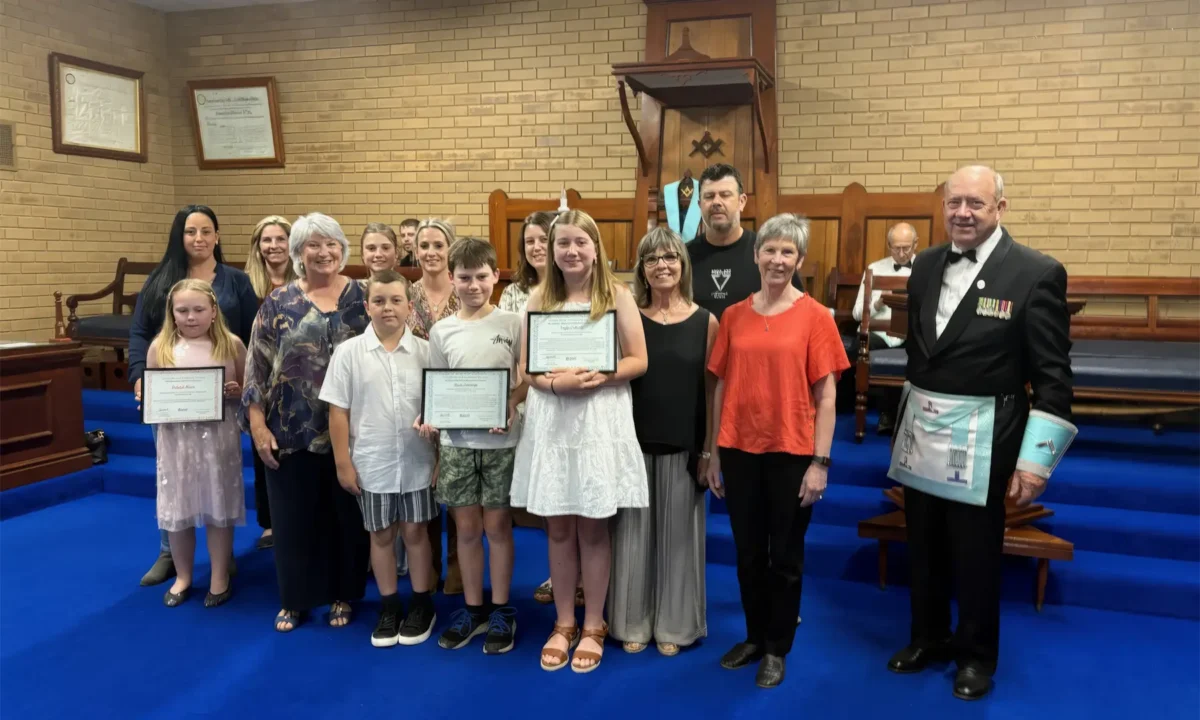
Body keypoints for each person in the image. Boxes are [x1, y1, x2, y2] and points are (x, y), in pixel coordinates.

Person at [885, 166, 1074, 701]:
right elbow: (921, 350)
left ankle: (975, 655)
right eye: (955, 202)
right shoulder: (924, 265)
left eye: (976, 203)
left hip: (988, 436)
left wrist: (1036, 462)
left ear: (1000, 208)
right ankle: (927, 637)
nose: (963, 213)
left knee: (975, 551)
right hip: (924, 432)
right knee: (922, 542)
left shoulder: (1036, 272)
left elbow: (1054, 377)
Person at [705, 213, 849, 689]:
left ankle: (776, 647)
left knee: (784, 557)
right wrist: (715, 453)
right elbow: (721, 386)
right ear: (756, 254)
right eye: (770, 249)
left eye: (788, 252)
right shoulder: (734, 316)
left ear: (800, 260)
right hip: (739, 449)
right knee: (748, 554)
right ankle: (753, 636)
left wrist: (820, 463)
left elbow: (827, 397)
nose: (778, 259)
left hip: (792, 451)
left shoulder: (816, 317)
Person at [511, 209, 650, 674]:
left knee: (592, 527)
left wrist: (600, 376)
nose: (571, 251)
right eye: (563, 243)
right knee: (557, 527)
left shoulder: (617, 296)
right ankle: (564, 622)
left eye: (580, 242)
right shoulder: (538, 298)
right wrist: (554, 384)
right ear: (551, 251)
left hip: (598, 416)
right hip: (553, 418)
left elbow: (639, 360)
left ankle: (593, 623)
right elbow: (527, 368)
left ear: (595, 248)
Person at [240, 212, 371, 633]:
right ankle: (295, 598)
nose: (323, 252)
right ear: (298, 252)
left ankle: (342, 592)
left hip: (353, 431)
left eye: (331, 243)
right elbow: (256, 368)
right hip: (291, 429)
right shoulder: (278, 302)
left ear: (342, 249)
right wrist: (258, 426)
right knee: (294, 521)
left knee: (344, 519)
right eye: (313, 244)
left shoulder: (365, 297)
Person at [131, 205, 259, 587]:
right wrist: (140, 377)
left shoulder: (236, 280)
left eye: (206, 231)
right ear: (180, 236)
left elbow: (252, 336)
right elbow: (140, 332)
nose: (198, 238)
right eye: (190, 231)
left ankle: (222, 559)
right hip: (170, 398)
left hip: (219, 403)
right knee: (174, 480)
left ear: (217, 236)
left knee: (217, 480)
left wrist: (240, 382)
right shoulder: (160, 279)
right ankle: (169, 554)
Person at [610, 226, 717, 657]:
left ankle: (675, 622)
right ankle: (631, 621)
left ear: (683, 264)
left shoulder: (706, 321)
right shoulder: (627, 318)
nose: (661, 265)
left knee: (678, 541)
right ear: (641, 269)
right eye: (651, 259)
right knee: (631, 537)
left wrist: (709, 450)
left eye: (670, 257)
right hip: (632, 444)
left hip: (683, 444)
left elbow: (712, 391)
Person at [418, 237, 526, 654]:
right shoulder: (442, 331)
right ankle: (473, 607)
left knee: (497, 527)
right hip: (458, 443)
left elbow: (527, 379)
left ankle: (501, 609)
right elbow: (437, 386)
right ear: (451, 278)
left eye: (482, 276)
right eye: (464, 277)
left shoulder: (513, 323)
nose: (474, 285)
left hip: (501, 442)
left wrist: (512, 404)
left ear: (496, 276)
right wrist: (431, 417)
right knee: (465, 529)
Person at [321, 270, 439, 647]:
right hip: (372, 462)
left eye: (396, 300)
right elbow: (338, 412)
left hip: (418, 460)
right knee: (381, 534)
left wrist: (439, 458)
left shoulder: (426, 352)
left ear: (409, 306)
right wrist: (343, 462)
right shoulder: (349, 353)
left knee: (416, 533)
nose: (388, 307)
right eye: (379, 300)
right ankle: (389, 606)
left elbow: (440, 408)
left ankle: (421, 604)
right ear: (366, 305)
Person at [500, 211, 584, 606]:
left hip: (581, 401)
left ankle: (585, 577)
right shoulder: (515, 294)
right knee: (553, 497)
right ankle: (561, 575)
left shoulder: (583, 284)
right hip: (536, 402)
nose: (536, 246)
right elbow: (515, 358)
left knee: (582, 494)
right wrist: (515, 398)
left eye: (543, 239)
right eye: (530, 240)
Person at [148, 278, 247, 608]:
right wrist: (146, 397)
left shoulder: (231, 345)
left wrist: (237, 393)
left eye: (199, 309)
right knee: (180, 508)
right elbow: (152, 392)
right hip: (176, 443)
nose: (191, 317)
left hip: (218, 441)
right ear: (172, 313)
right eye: (182, 310)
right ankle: (183, 576)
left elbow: (249, 390)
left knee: (219, 507)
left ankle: (219, 576)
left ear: (214, 311)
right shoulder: (161, 347)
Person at [407, 218, 462, 595]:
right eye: (424, 246)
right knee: (422, 484)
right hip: (415, 401)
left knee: (457, 488)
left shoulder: (466, 288)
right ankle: (427, 566)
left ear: (450, 248)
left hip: (460, 400)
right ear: (415, 251)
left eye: (438, 245)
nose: (431, 252)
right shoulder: (404, 293)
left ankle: (458, 566)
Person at [687, 163, 802, 320]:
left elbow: (797, 308)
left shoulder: (768, 254)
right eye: (709, 196)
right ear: (700, 205)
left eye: (725, 195)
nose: (716, 202)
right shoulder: (683, 257)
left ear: (741, 201)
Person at [244, 215, 297, 551]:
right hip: (258, 374)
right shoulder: (246, 285)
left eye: (281, 239)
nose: (274, 246)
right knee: (263, 448)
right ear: (257, 246)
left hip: (294, 378)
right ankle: (269, 522)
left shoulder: (302, 281)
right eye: (267, 240)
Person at [853, 222, 918, 434]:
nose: (901, 253)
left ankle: (909, 415)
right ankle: (884, 414)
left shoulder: (925, 269)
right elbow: (856, 314)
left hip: (911, 334)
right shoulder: (875, 268)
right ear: (889, 245)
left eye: (906, 248)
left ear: (916, 244)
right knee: (860, 346)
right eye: (896, 248)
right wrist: (879, 303)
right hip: (880, 334)